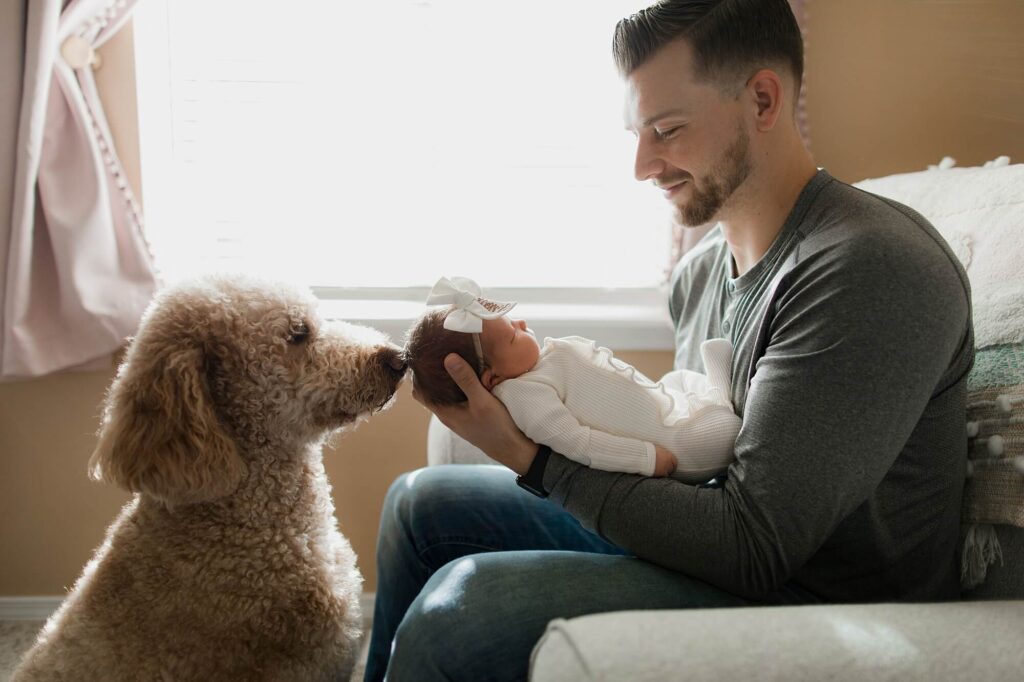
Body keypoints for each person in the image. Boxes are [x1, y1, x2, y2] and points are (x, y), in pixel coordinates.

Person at [365, 0, 974, 680]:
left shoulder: (866, 270)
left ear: (764, 100)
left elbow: (752, 547)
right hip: (715, 545)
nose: (641, 165)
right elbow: (688, 461)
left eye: (667, 129)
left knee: (460, 614)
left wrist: (532, 459)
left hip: (812, 596)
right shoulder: (702, 273)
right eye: (636, 131)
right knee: (418, 507)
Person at [406, 275, 742, 481]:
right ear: (492, 379)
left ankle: (712, 396)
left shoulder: (535, 370)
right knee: (725, 429)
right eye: (511, 335)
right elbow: (580, 443)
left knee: (677, 378)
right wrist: (646, 458)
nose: (521, 324)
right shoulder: (526, 396)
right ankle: (720, 394)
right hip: (687, 446)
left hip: (665, 412)